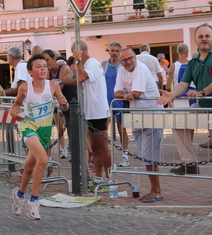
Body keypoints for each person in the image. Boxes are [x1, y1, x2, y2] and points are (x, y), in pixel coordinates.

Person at [157, 23, 212, 205]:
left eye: (207, 36)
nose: (204, 39)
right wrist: (171, 94)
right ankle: (189, 163)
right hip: (203, 107)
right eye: (200, 36)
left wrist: (203, 92)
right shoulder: (193, 61)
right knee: (177, 120)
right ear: (195, 40)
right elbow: (184, 84)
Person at [10, 54, 69, 220]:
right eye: (38, 66)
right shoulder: (24, 88)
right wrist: (14, 112)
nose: (43, 69)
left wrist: (64, 103)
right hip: (28, 126)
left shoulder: (53, 85)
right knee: (43, 160)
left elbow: (65, 107)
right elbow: (15, 106)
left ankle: (19, 194)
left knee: (29, 167)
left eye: (44, 66)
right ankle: (34, 200)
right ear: (30, 71)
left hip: (44, 130)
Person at [114, 48, 164, 203]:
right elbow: (116, 92)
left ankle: (156, 191)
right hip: (138, 117)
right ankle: (155, 189)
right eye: (124, 60)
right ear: (120, 62)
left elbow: (136, 93)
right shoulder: (122, 70)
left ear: (135, 57)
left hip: (152, 116)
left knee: (150, 156)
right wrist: (125, 95)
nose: (128, 62)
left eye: (130, 58)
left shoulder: (141, 68)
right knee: (145, 156)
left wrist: (127, 95)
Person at [68, 40, 111, 185]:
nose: (72, 56)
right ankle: (98, 177)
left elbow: (81, 78)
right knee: (95, 148)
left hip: (98, 111)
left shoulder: (91, 63)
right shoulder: (85, 65)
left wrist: (78, 60)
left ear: (78, 51)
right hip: (90, 112)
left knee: (103, 147)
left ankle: (109, 177)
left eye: (72, 52)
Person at [42, 49, 77, 159]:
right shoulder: (49, 72)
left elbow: (56, 90)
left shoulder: (64, 69)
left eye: (47, 59)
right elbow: (46, 89)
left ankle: (86, 160)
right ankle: (75, 158)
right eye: (43, 60)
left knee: (79, 136)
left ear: (54, 59)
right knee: (71, 134)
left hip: (75, 104)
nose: (45, 63)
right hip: (65, 105)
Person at [101, 42, 130, 167]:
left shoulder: (123, 67)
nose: (114, 53)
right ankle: (104, 155)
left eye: (117, 51)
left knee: (122, 129)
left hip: (119, 102)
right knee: (103, 130)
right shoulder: (103, 65)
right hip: (105, 102)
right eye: (112, 50)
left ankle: (125, 156)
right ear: (108, 51)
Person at [166, 43, 196, 141]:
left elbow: (168, 85)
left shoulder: (173, 66)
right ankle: (190, 142)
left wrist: (171, 95)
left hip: (178, 94)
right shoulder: (192, 64)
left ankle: (183, 144)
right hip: (191, 93)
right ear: (187, 52)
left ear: (177, 52)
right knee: (191, 121)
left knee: (180, 121)